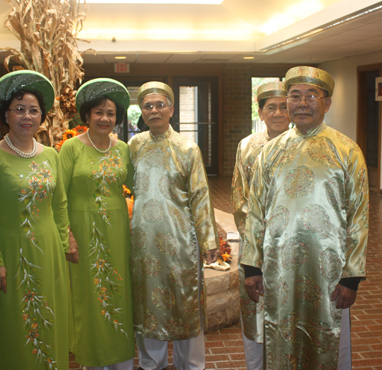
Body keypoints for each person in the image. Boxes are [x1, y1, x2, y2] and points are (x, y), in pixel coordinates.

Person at [242, 66, 368, 369]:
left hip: (329, 269)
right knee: (280, 335)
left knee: (330, 342)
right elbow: (255, 211)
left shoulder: (347, 151)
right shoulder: (269, 153)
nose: (302, 103)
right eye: (295, 96)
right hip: (277, 266)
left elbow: (359, 216)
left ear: (327, 103)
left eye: (312, 95)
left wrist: (352, 276)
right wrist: (251, 265)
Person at [0, 70, 70, 370]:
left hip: (50, 252)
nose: (26, 116)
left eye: (33, 110)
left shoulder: (50, 156)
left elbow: (60, 204)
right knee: (17, 324)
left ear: (42, 116)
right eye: (19, 109)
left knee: (51, 318)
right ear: (6, 115)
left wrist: (66, 242)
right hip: (11, 255)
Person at [128, 81, 219, 370]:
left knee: (185, 306)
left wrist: (208, 241)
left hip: (181, 243)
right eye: (147, 106)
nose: (154, 110)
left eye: (160, 104)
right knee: (148, 307)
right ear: (141, 111)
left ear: (171, 108)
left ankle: (190, 365)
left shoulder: (187, 148)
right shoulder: (134, 146)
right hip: (142, 242)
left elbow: (201, 196)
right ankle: (150, 363)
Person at [59, 78, 135, 369]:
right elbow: (59, 196)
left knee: (117, 290)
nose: (105, 118)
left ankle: (120, 356)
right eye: (99, 112)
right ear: (87, 115)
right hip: (82, 231)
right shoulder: (71, 148)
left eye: (111, 113)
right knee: (87, 296)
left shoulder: (122, 149)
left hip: (116, 233)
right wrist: (68, 236)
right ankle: (92, 359)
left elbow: (139, 186)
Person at [231, 81, 290, 370]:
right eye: (271, 107)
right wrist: (258, 240)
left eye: (283, 106)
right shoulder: (248, 146)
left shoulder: (304, 144)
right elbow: (239, 198)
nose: (278, 113)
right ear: (260, 111)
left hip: (293, 246)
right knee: (255, 312)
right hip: (255, 245)